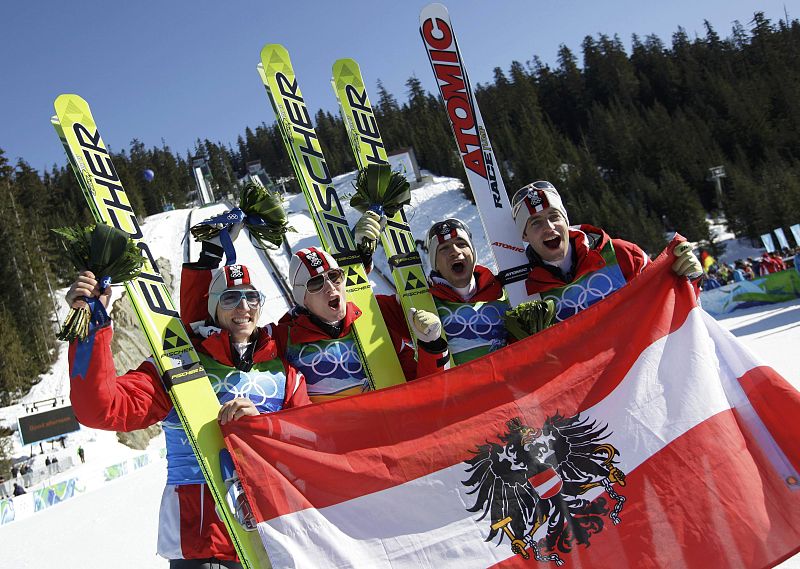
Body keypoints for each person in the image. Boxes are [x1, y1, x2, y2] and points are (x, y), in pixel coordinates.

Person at [65, 238, 310, 567]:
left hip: (276, 537)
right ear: (213, 309)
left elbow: (309, 447)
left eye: (252, 297)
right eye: (231, 297)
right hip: (202, 543)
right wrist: (91, 324)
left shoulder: (284, 371)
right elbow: (101, 409)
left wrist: (261, 428)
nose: (244, 307)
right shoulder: (176, 369)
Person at [273, 246, 448, 402]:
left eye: (334, 276)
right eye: (316, 283)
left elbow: (425, 388)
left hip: (386, 430)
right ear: (302, 298)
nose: (330, 287)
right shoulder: (284, 339)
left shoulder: (373, 326)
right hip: (332, 435)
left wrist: (432, 345)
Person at [511, 181, 701, 322]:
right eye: (536, 222)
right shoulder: (523, 288)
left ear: (566, 221)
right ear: (524, 235)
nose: (549, 227)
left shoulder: (622, 254)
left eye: (554, 216)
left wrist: (689, 280)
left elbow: (669, 305)